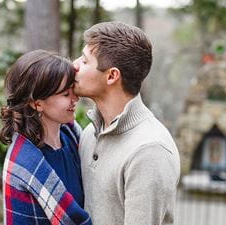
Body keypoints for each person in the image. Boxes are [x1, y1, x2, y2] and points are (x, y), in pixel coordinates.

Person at [73, 21, 180, 225]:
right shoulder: (89, 133)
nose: (74, 65)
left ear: (112, 76)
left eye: (85, 61)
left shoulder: (149, 151)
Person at [0, 50, 92, 225]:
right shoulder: (25, 163)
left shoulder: (72, 136)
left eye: (73, 90)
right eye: (66, 94)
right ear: (37, 103)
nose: (75, 98)